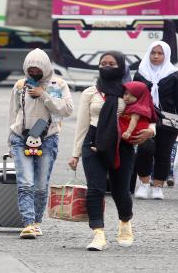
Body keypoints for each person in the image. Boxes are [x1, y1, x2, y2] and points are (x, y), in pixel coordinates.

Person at [68, 51, 155, 251]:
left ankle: (125, 223)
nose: (106, 66)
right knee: (96, 189)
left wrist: (150, 132)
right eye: (103, 63)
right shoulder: (90, 92)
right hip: (93, 142)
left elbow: (147, 115)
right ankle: (98, 234)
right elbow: (82, 125)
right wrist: (75, 154)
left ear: (122, 66)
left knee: (120, 191)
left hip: (122, 144)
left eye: (111, 63)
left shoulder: (131, 91)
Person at [8, 48, 73, 239]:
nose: (35, 74)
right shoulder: (20, 85)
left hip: (47, 139)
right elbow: (12, 114)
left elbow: (67, 109)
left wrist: (44, 95)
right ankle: (28, 224)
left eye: (38, 70)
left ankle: (37, 222)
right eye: (31, 70)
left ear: (46, 68)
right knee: (25, 183)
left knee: (40, 186)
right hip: (20, 138)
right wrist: (9, 143)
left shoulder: (58, 84)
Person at [133, 41, 178, 200]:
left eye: (160, 53)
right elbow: (134, 97)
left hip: (168, 120)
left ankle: (158, 187)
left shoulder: (175, 74)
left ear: (166, 55)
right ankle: (144, 184)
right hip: (145, 119)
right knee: (145, 148)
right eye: (153, 53)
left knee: (163, 152)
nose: (156, 56)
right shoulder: (140, 73)